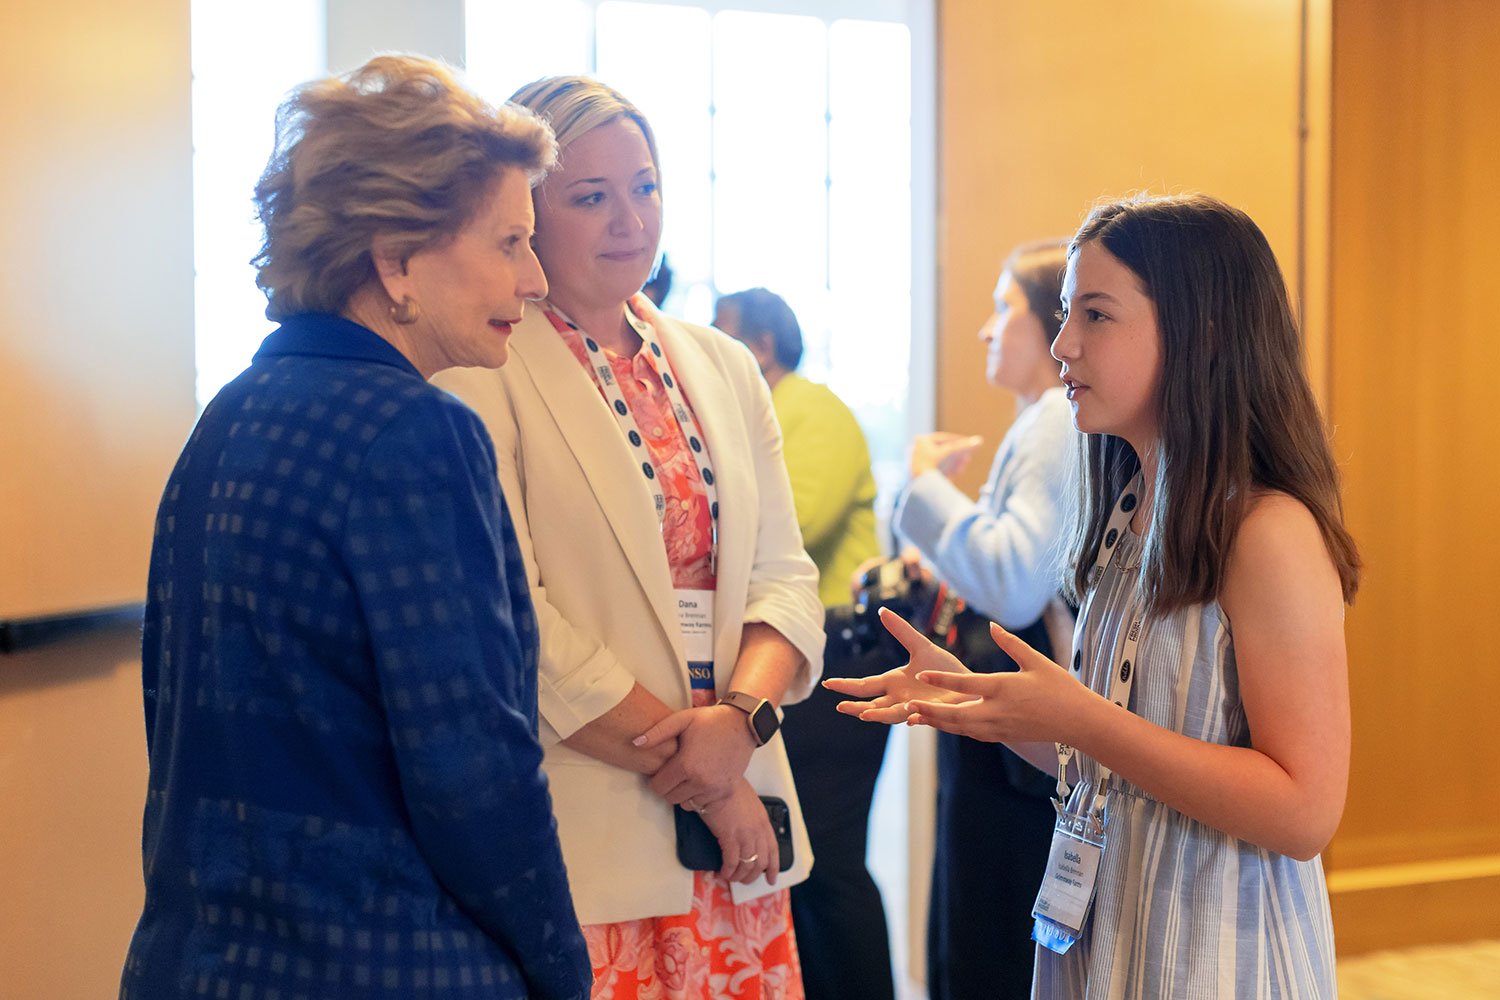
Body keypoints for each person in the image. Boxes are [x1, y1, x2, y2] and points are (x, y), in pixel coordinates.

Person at [118, 56, 591, 1000]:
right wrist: (561, 970)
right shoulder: (417, 434)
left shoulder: (230, 416)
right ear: (394, 261)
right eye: (508, 243)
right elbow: (473, 772)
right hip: (384, 963)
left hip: (200, 963)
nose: (536, 279)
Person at [829, 193, 1359, 998]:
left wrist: (1082, 719)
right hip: (1109, 932)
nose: (1063, 343)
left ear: (1202, 332)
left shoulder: (1267, 531)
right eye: (1067, 313)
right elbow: (1109, 767)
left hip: (1212, 953)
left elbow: (1304, 811)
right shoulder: (1127, 506)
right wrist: (986, 707)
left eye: (1096, 316)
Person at [434, 77, 824, 999]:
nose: (629, 219)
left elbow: (784, 577)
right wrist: (709, 776)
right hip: (594, 818)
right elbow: (513, 625)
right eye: (591, 195)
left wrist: (740, 726)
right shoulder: (479, 370)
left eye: (644, 187)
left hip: (739, 821)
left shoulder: (725, 366)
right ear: (526, 211)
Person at [884, 241, 1075, 1000]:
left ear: (1055, 324)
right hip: (1007, 720)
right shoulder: (1047, 418)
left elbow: (1013, 578)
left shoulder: (1057, 419)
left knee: (989, 934)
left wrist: (925, 486)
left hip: (1022, 729)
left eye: (1005, 308)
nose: (986, 330)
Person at [713, 288, 894, 1000]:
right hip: (807, 658)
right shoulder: (772, 413)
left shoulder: (810, 408)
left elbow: (796, 523)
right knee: (812, 868)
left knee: (827, 863)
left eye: (720, 337)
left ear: (759, 348)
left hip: (839, 659)